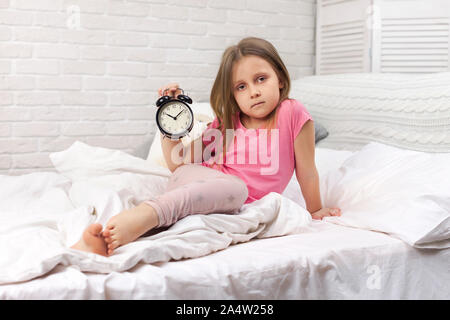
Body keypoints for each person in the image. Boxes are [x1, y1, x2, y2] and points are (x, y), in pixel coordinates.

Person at [71, 37, 341, 257]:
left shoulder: (291, 112)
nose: (254, 92)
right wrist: (171, 118)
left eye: (261, 79)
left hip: (222, 198)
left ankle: (100, 242)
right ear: (233, 94)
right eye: (241, 87)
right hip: (199, 180)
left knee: (202, 210)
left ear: (280, 79)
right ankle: (142, 214)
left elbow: (307, 170)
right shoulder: (229, 123)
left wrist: (315, 209)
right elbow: (180, 163)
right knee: (234, 187)